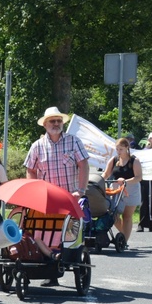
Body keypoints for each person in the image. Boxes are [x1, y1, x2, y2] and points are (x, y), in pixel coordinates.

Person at [24, 106, 89, 287]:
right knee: (44, 231)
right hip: (47, 199)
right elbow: (30, 169)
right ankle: (50, 270)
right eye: (52, 121)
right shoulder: (37, 146)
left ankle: (62, 261)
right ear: (45, 124)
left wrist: (81, 189)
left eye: (59, 121)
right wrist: (34, 189)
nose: (56, 124)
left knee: (65, 233)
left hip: (69, 198)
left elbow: (83, 165)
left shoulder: (73, 141)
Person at [101, 138, 142, 245]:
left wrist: (125, 181)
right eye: (117, 149)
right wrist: (98, 181)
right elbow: (105, 174)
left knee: (127, 216)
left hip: (131, 189)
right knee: (113, 215)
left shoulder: (134, 161)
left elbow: (139, 177)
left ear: (127, 148)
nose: (118, 152)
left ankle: (124, 241)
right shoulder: (114, 160)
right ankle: (123, 236)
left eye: (121, 149)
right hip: (116, 189)